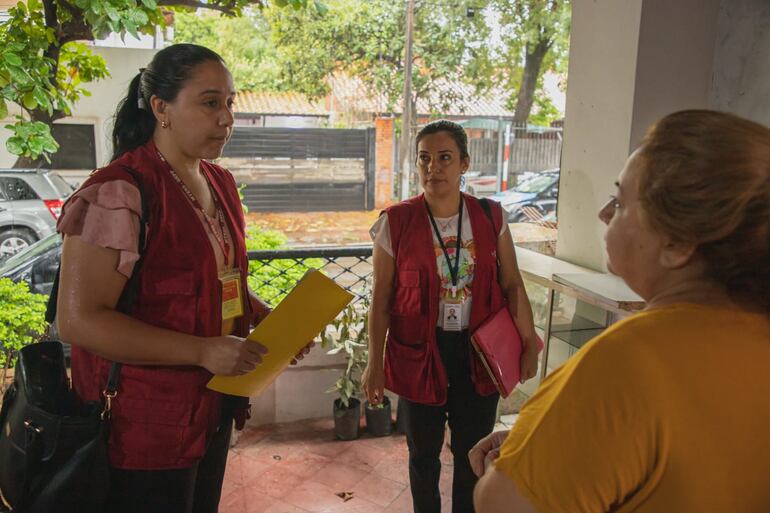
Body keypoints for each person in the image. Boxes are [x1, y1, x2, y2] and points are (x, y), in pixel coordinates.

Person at [471, 110, 770, 513]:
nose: (604, 214)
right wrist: (541, 445)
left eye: (621, 201)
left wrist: (504, 470)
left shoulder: (631, 361)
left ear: (677, 243)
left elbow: (502, 505)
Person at [56, 44, 309, 512]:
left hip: (210, 409)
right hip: (140, 426)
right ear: (161, 109)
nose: (226, 118)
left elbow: (215, 280)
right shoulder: (120, 190)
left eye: (230, 103)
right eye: (210, 102)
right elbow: (79, 322)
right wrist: (202, 349)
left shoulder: (219, 183)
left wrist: (263, 314)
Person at [363, 119, 540, 513]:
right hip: (419, 351)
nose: (433, 168)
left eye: (444, 158)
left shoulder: (491, 218)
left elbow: (512, 284)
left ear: (464, 164)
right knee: (422, 454)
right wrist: (375, 363)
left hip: (479, 353)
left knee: (472, 453)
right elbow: (382, 300)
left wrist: (529, 343)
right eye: (424, 158)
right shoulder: (395, 223)